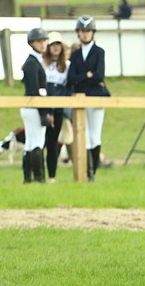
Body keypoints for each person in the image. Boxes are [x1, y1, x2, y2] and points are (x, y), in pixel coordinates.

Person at [69, 15, 110, 181]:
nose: (85, 34)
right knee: (83, 135)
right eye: (82, 31)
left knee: (95, 135)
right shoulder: (75, 54)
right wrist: (87, 74)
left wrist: (82, 76)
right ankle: (87, 171)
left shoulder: (99, 52)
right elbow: (71, 78)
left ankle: (93, 172)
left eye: (88, 31)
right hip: (80, 98)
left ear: (93, 33)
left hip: (96, 97)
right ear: (78, 33)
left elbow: (99, 75)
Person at [20, 27, 49, 183]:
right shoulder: (32, 63)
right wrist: (44, 112)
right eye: (39, 41)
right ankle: (39, 177)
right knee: (37, 142)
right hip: (34, 107)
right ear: (32, 43)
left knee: (30, 143)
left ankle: (28, 178)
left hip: (31, 107)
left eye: (44, 41)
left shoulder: (35, 61)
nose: (43, 44)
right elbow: (35, 90)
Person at [42, 32, 70, 183]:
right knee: (41, 142)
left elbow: (67, 87)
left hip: (58, 109)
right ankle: (38, 174)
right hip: (43, 107)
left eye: (58, 44)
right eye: (53, 45)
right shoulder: (42, 63)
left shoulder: (66, 66)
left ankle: (51, 176)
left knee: (53, 143)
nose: (56, 48)